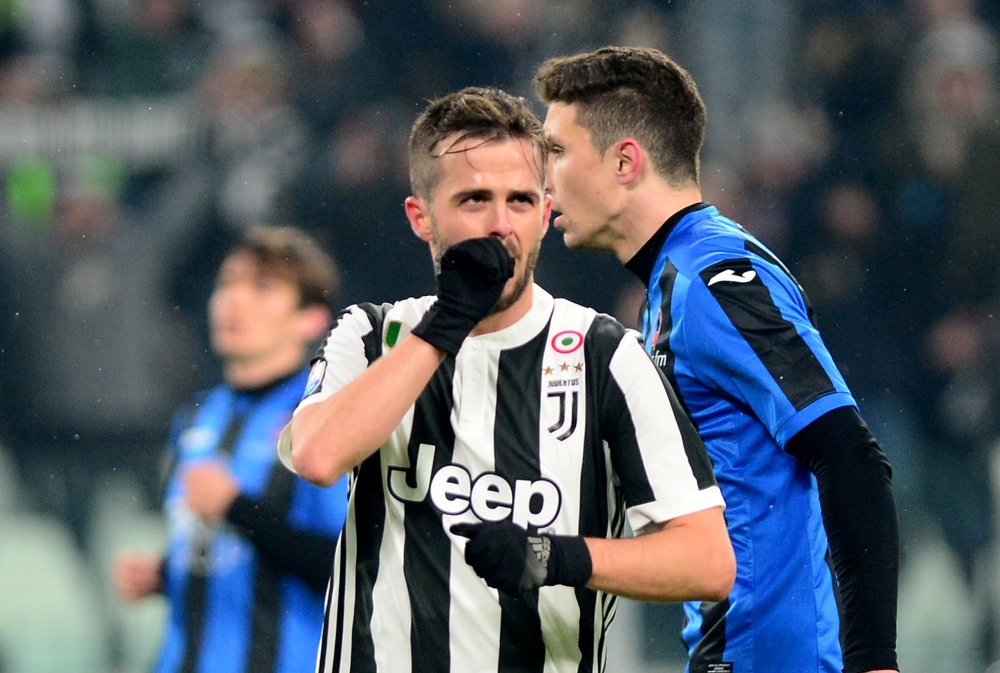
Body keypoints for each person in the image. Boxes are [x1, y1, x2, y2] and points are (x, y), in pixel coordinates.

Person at [280, 86, 735, 673]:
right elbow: (317, 456)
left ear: (546, 214)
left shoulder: (605, 357)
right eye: (474, 200)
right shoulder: (371, 334)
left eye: (520, 200)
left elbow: (708, 561)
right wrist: (447, 323)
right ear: (422, 218)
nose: (501, 225)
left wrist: (556, 557)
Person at [535, 46, 899, 673]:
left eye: (558, 152)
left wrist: (874, 662)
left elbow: (849, 455)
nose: (545, 179)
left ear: (626, 161)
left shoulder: (714, 279)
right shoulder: (670, 286)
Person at [113, 226, 350, 673]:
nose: (233, 300)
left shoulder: (325, 417)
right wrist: (165, 575)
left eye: (261, 287)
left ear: (311, 319)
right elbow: (223, 554)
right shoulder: (198, 415)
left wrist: (237, 508)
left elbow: (350, 567)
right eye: (227, 283)